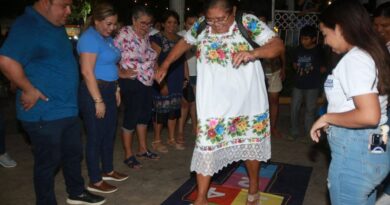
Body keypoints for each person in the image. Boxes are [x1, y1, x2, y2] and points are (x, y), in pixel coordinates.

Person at [154, 0, 285, 204]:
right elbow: (184, 43)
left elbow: (277, 45)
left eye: (220, 19)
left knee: (250, 141)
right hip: (214, 100)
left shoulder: (246, 21)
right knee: (206, 144)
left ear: (232, 12)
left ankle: (253, 188)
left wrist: (253, 53)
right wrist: (167, 63)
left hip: (247, 99)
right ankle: (201, 198)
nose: (215, 24)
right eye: (211, 20)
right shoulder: (201, 25)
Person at [0, 0, 105, 204]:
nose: (69, 11)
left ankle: (76, 193)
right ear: (45, 2)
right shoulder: (28, 24)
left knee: (73, 155)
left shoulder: (55, 24)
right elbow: (6, 60)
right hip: (44, 112)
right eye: (64, 5)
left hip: (66, 108)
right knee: (48, 163)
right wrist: (28, 89)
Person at [310, 1, 390, 205]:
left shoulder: (355, 59)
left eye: (325, 34)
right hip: (376, 145)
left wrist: (327, 117)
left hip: (355, 152)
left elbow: (368, 115)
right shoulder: (374, 52)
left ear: (339, 27)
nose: (325, 41)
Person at [78, 2, 128, 194]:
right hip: (94, 92)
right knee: (95, 137)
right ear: (96, 21)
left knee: (108, 133)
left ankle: (107, 170)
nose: (112, 28)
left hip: (108, 90)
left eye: (114, 24)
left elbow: (111, 65)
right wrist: (98, 100)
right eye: (108, 23)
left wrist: (115, 88)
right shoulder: (89, 38)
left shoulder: (105, 37)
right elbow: (87, 71)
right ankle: (95, 180)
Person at [114, 5, 160, 169]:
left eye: (149, 24)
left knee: (144, 115)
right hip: (132, 79)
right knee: (132, 115)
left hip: (146, 79)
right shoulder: (124, 33)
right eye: (142, 23)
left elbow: (147, 54)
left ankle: (142, 148)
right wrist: (120, 73)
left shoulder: (145, 35)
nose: (146, 27)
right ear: (133, 20)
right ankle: (128, 153)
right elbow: (111, 55)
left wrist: (154, 65)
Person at [150, 10, 186, 153]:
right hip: (163, 79)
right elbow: (154, 61)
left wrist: (185, 78)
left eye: (175, 23)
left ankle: (171, 138)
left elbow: (183, 61)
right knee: (161, 111)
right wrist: (161, 83)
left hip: (177, 78)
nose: (172, 25)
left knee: (174, 111)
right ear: (163, 24)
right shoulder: (157, 38)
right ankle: (157, 141)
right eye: (169, 22)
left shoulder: (180, 39)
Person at [290, 25, 326, 142]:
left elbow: (323, 68)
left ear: (313, 39)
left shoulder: (319, 51)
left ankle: (309, 132)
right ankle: (294, 131)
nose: (303, 41)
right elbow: (294, 64)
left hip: (312, 86)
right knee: (294, 108)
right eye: (302, 39)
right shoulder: (298, 49)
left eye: (306, 39)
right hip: (298, 85)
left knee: (310, 110)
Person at [258, 14, 286, 139]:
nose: (260, 25)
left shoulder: (272, 35)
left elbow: (281, 51)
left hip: (274, 71)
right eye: (259, 22)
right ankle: (260, 129)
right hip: (259, 73)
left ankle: (273, 128)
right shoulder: (249, 36)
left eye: (263, 22)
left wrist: (284, 68)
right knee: (259, 103)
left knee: (274, 100)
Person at [373, 2, 390, 205]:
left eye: (385, 26)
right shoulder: (380, 47)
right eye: (376, 25)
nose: (379, 31)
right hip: (379, 117)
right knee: (376, 154)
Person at [177, 12, 199, 148]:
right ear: (185, 23)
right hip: (185, 73)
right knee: (185, 103)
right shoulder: (180, 36)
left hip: (199, 73)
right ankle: (180, 131)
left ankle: (195, 126)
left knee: (195, 102)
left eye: (194, 24)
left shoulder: (201, 35)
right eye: (190, 23)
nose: (192, 26)